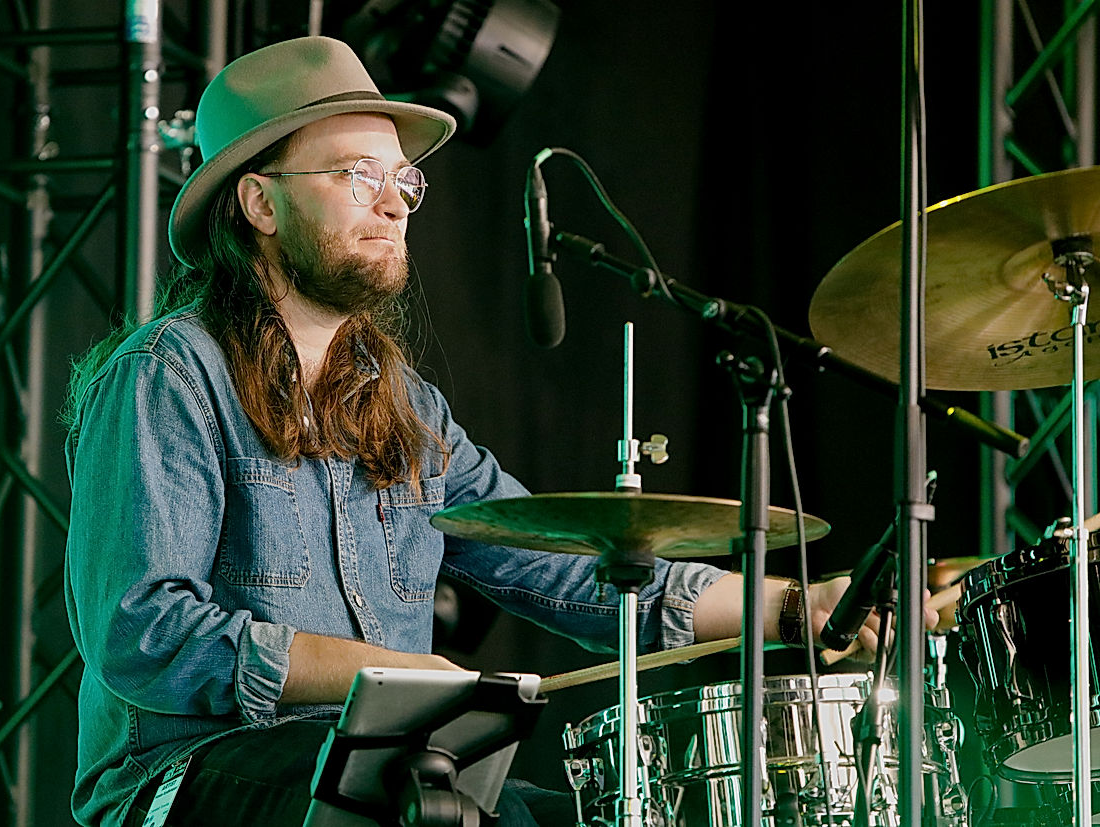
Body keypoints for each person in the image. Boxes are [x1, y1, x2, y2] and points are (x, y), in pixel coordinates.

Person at [63, 36, 919, 827]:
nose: (394, 203)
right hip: (182, 774)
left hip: (385, 768)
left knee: (575, 817)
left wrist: (794, 605)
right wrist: (385, 675)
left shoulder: (401, 406)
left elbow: (567, 564)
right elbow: (144, 632)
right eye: (358, 173)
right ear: (259, 202)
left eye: (404, 181)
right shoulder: (168, 374)